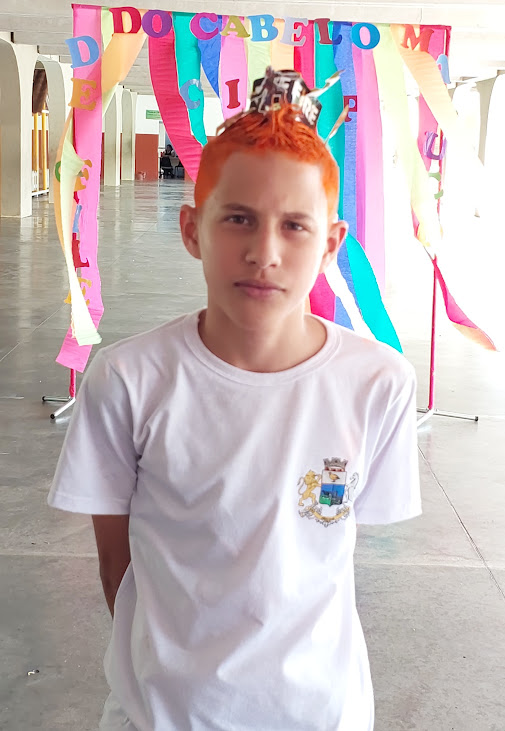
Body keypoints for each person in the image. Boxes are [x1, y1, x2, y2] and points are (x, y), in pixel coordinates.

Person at [48, 69, 421, 730]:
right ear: (193, 229)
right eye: (239, 219)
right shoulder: (129, 379)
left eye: (295, 226)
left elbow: (322, 553)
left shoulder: (377, 383)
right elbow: (117, 565)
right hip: (163, 714)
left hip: (320, 712)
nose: (263, 253)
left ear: (330, 243)